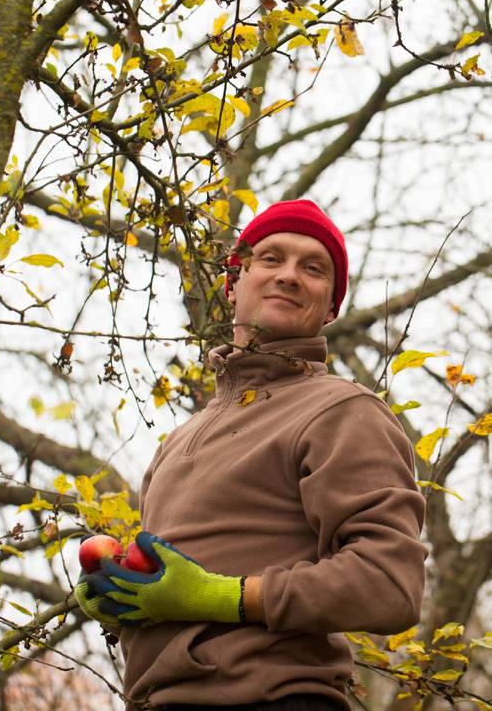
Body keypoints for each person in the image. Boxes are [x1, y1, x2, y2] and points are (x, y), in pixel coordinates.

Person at [76, 199, 427, 711]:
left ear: (331, 307)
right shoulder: (179, 439)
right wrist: (123, 595)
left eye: (314, 268)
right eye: (270, 258)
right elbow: (174, 588)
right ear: (232, 283)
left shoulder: (342, 410)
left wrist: (226, 596)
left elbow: (390, 585)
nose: (289, 275)